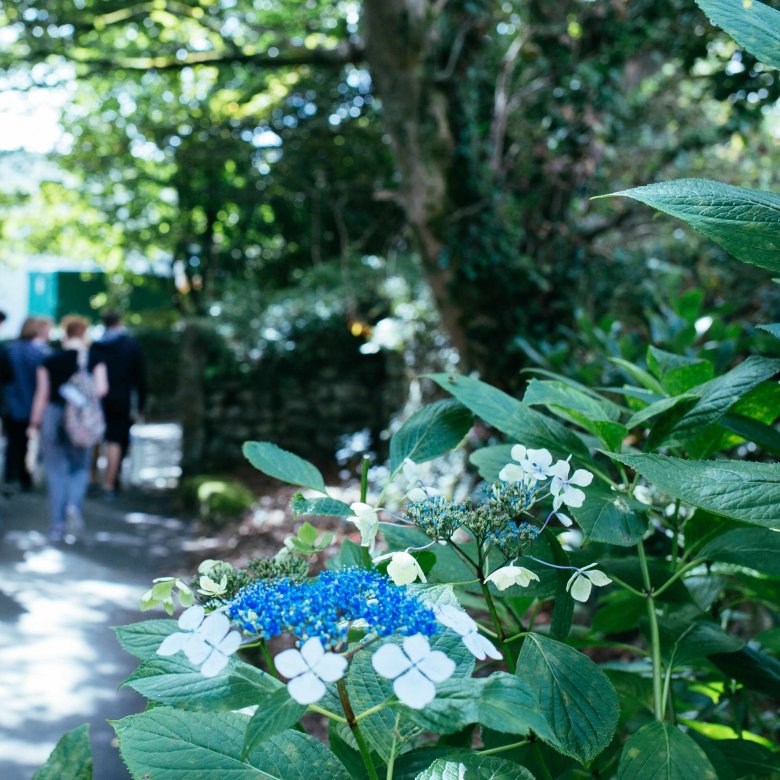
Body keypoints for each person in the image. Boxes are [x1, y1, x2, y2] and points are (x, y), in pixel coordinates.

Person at [28, 316, 108, 541]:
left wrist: (33, 424)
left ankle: (57, 524)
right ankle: (74, 506)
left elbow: (41, 396)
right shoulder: (95, 358)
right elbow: (102, 389)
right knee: (80, 467)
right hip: (83, 419)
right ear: (84, 333)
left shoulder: (50, 360)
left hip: (54, 415)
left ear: (65, 333)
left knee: (56, 470)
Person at [92, 310, 146, 498]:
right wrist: (140, 406)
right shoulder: (130, 346)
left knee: (95, 438)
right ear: (119, 322)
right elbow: (140, 379)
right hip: (121, 400)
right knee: (115, 440)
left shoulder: (95, 346)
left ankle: (92, 480)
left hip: (96, 399)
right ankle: (109, 484)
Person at [1, 317, 51, 493]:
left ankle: (11, 476)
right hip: (30, 403)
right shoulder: (40, 353)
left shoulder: (10, 349)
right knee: (25, 443)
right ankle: (23, 477)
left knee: (13, 443)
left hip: (11, 403)